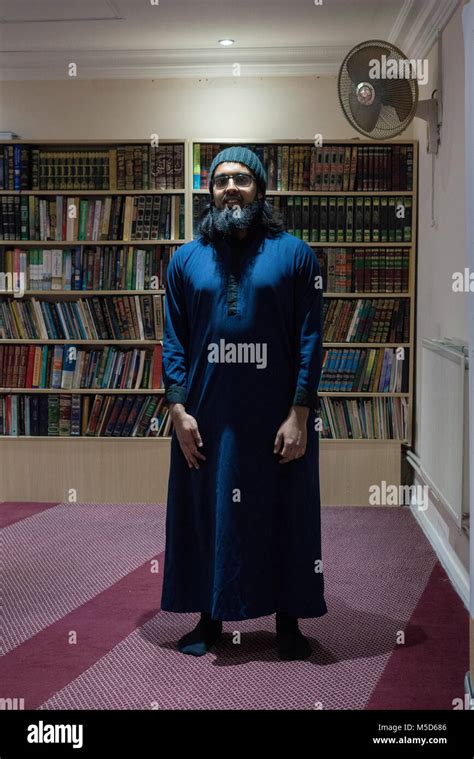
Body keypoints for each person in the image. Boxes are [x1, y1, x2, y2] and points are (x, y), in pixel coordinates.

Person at [160, 146, 327, 660]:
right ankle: (209, 620)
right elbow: (174, 339)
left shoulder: (297, 255)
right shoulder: (185, 260)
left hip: (278, 417)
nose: (231, 187)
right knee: (209, 514)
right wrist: (178, 410)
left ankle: (289, 623)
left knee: (285, 513)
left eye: (242, 179)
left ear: (261, 190)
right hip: (209, 417)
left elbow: (310, 339)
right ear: (208, 193)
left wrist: (299, 412)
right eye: (221, 180)